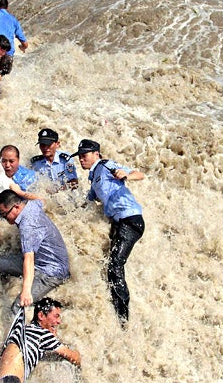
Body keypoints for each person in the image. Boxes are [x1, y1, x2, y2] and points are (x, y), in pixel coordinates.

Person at [71, 139, 145, 325]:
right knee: (110, 265)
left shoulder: (105, 165)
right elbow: (88, 201)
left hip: (131, 220)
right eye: (79, 157)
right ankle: (117, 308)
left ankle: (123, 319)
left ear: (96, 154)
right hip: (120, 224)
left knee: (114, 266)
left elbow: (139, 174)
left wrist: (126, 176)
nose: (81, 160)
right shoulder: (94, 177)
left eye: (84, 155)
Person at [0, 190, 70, 312]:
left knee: (18, 307)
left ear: (17, 207)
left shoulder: (27, 226)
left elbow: (29, 259)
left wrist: (26, 291)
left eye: (4, 214)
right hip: (41, 260)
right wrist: (19, 191)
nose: (3, 218)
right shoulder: (30, 205)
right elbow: (40, 199)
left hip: (51, 272)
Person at [0, 298, 81, 382]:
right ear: (41, 315)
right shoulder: (43, 334)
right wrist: (78, 352)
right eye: (56, 316)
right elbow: (74, 358)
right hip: (11, 380)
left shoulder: (21, 331)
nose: (59, 321)